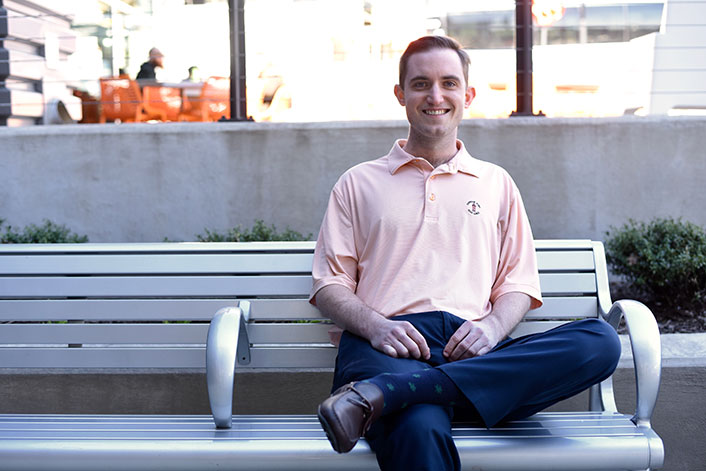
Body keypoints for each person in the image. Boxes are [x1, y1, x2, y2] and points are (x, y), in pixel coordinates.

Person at [311, 36, 621, 471]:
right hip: (389, 349)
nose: (435, 96)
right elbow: (330, 285)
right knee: (418, 427)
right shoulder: (357, 183)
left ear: (468, 95)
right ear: (400, 94)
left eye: (449, 83)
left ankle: (380, 397)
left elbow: (518, 284)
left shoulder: (496, 183)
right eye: (421, 84)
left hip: (475, 350)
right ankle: (400, 389)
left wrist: (492, 328)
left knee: (600, 342)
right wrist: (377, 327)